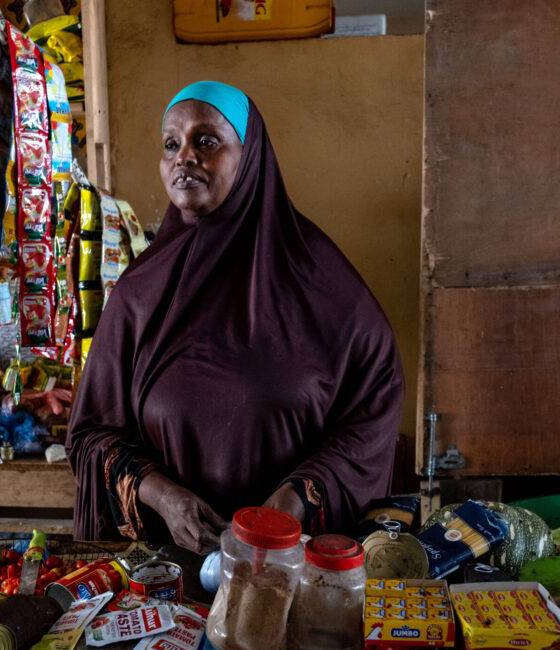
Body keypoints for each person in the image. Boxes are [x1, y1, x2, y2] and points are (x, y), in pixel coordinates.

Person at [68, 81, 404, 552]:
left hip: (292, 564)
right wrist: (165, 498)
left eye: (206, 141)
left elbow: (373, 406)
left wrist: (294, 501)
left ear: (250, 157)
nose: (184, 156)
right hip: (168, 571)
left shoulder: (319, 282)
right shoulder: (141, 293)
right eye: (171, 143)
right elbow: (92, 433)